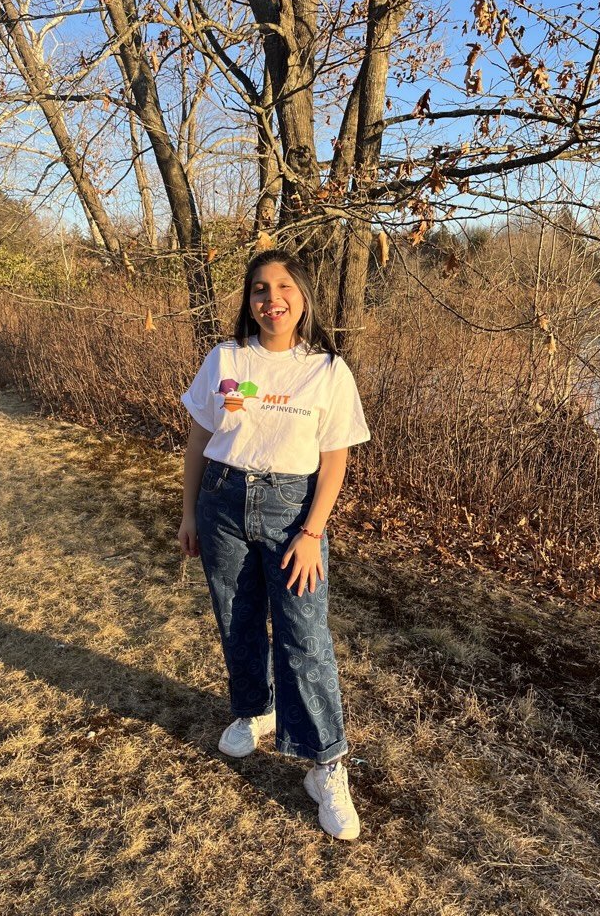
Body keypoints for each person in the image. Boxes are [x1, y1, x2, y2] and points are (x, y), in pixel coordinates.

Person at [177, 248, 370, 840]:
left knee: (304, 635)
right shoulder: (226, 359)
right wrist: (188, 512)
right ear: (248, 300)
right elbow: (198, 438)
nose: (271, 299)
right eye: (259, 289)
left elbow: (334, 461)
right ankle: (253, 711)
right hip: (223, 504)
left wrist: (313, 533)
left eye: (283, 287)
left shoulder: (328, 370)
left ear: (304, 296)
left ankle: (325, 763)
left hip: (294, 514)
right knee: (237, 620)